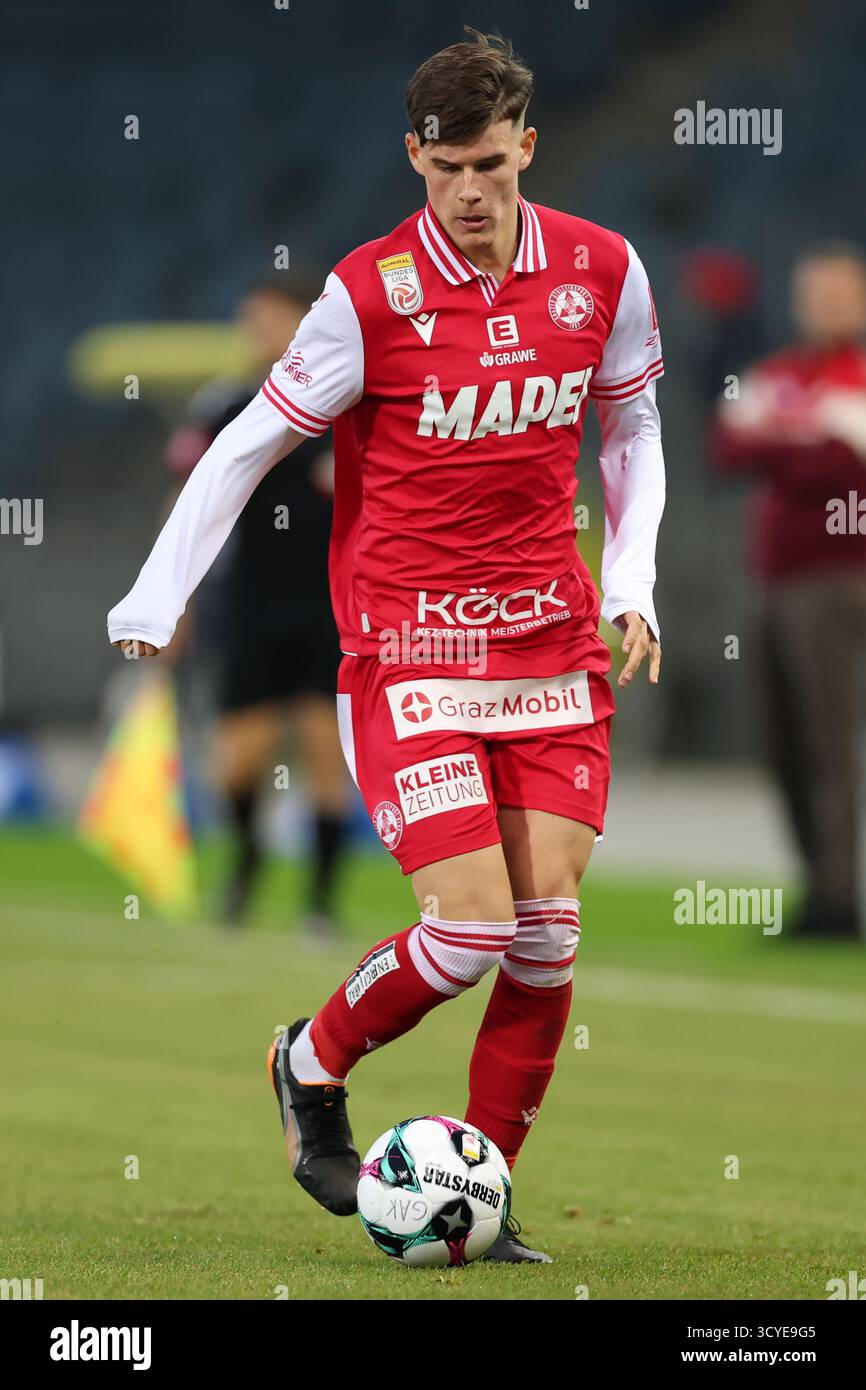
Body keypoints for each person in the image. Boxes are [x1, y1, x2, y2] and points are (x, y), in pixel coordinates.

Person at [106, 29, 666, 1262]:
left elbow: (629, 426)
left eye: (490, 165)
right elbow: (246, 441)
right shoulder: (365, 296)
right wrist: (157, 593)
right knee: (468, 931)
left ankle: (477, 1193)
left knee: (546, 933)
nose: (468, 192)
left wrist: (630, 581)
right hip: (408, 647)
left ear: (528, 145)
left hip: (552, 644)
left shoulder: (604, 270)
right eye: (444, 167)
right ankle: (307, 1062)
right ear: (413, 158)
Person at [163, 278, 351, 933]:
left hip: (334, 604)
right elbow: (189, 503)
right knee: (238, 760)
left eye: (268, 317)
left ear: (306, 321)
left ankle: (321, 905)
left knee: (328, 754)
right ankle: (247, 863)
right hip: (249, 602)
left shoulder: (347, 399)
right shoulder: (224, 405)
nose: (256, 330)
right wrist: (171, 596)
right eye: (252, 319)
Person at [712, 242, 866, 942]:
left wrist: (785, 443)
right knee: (786, 744)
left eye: (836, 294)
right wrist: (803, 445)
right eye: (815, 294)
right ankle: (817, 887)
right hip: (775, 581)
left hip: (840, 581)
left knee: (831, 742)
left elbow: (834, 468)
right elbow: (725, 447)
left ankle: (837, 898)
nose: (824, 307)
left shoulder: (853, 376)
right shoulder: (778, 375)